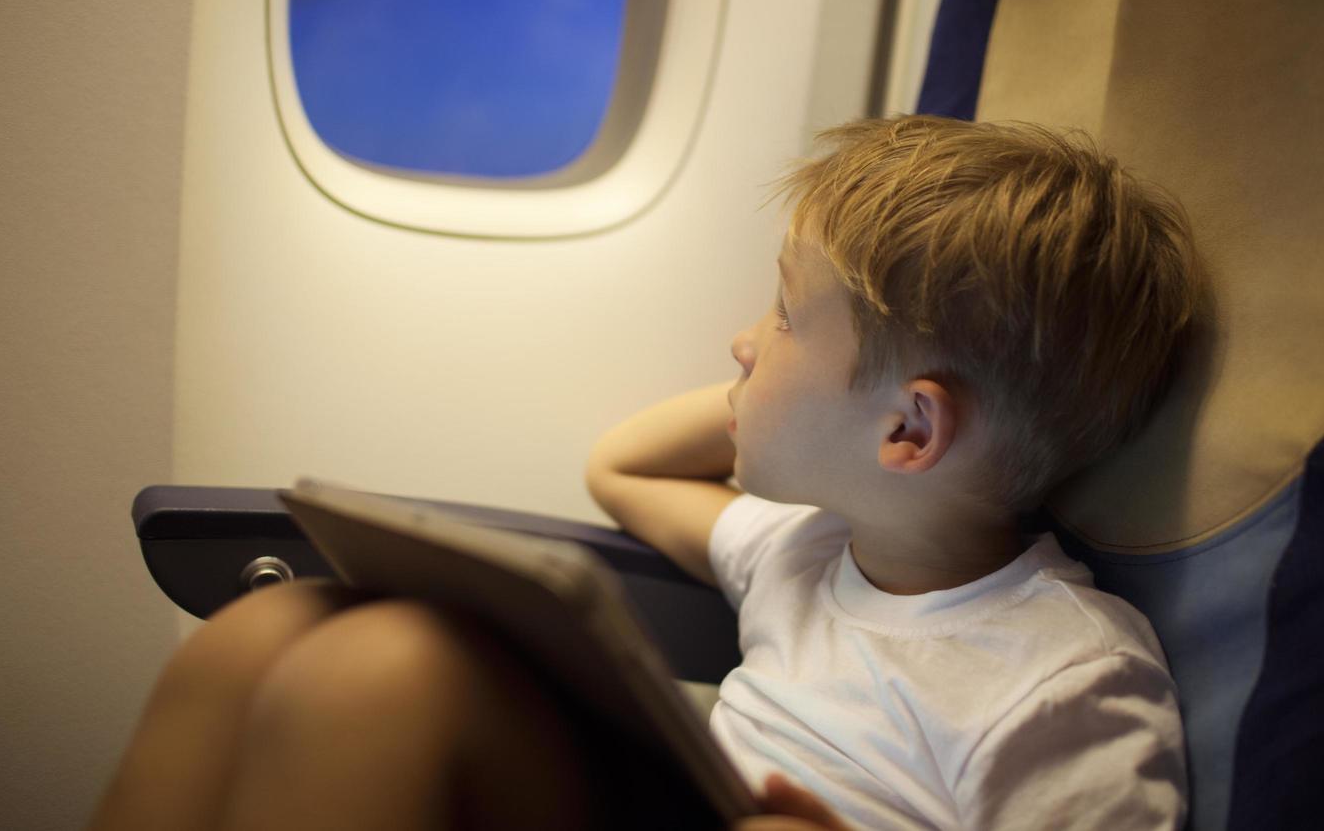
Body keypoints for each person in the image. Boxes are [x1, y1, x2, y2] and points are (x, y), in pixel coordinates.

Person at [91, 114, 1196, 830]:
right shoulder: (805, 549)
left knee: (386, 678)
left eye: (780, 309)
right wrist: (781, 400)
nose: (741, 340)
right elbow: (619, 467)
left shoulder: (1066, 679)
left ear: (909, 432)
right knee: (275, 634)